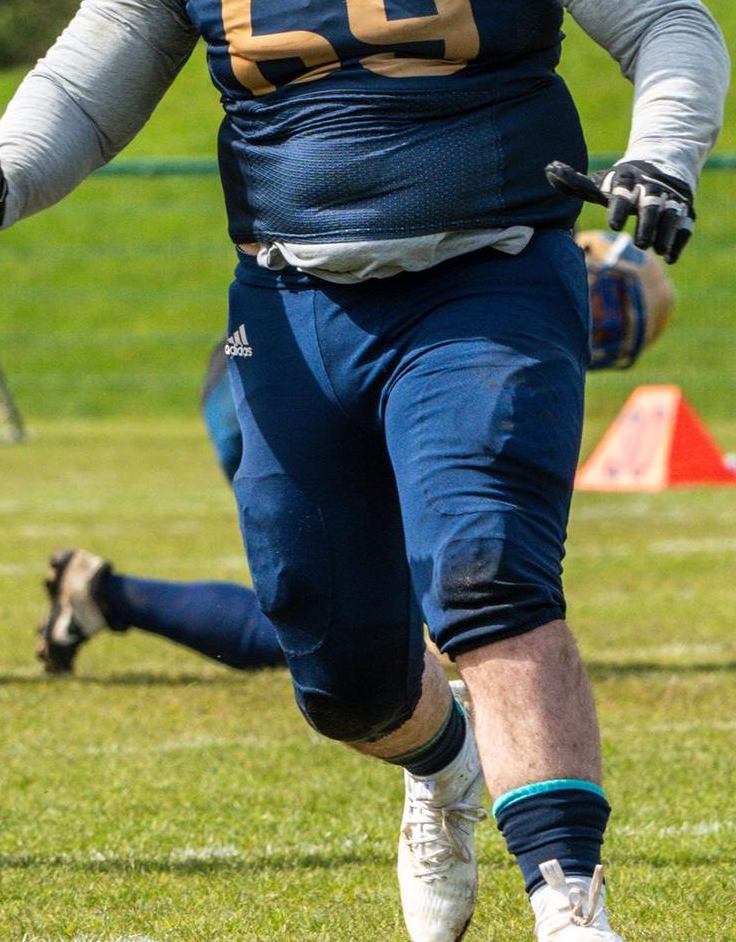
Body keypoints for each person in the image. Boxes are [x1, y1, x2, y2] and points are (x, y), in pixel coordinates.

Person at [0, 0, 726, 942]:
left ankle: (570, 903)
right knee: (337, 669)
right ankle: (440, 766)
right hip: (292, 304)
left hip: (483, 277)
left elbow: (670, 26)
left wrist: (663, 158)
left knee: (491, 572)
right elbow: (90, 80)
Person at [40, 233, 676, 677]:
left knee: (341, 624)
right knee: (348, 638)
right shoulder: (505, 276)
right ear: (581, 258)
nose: (596, 326)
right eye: (608, 304)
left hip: (263, 363)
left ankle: (102, 597)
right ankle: (109, 597)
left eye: (617, 337)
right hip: (293, 371)